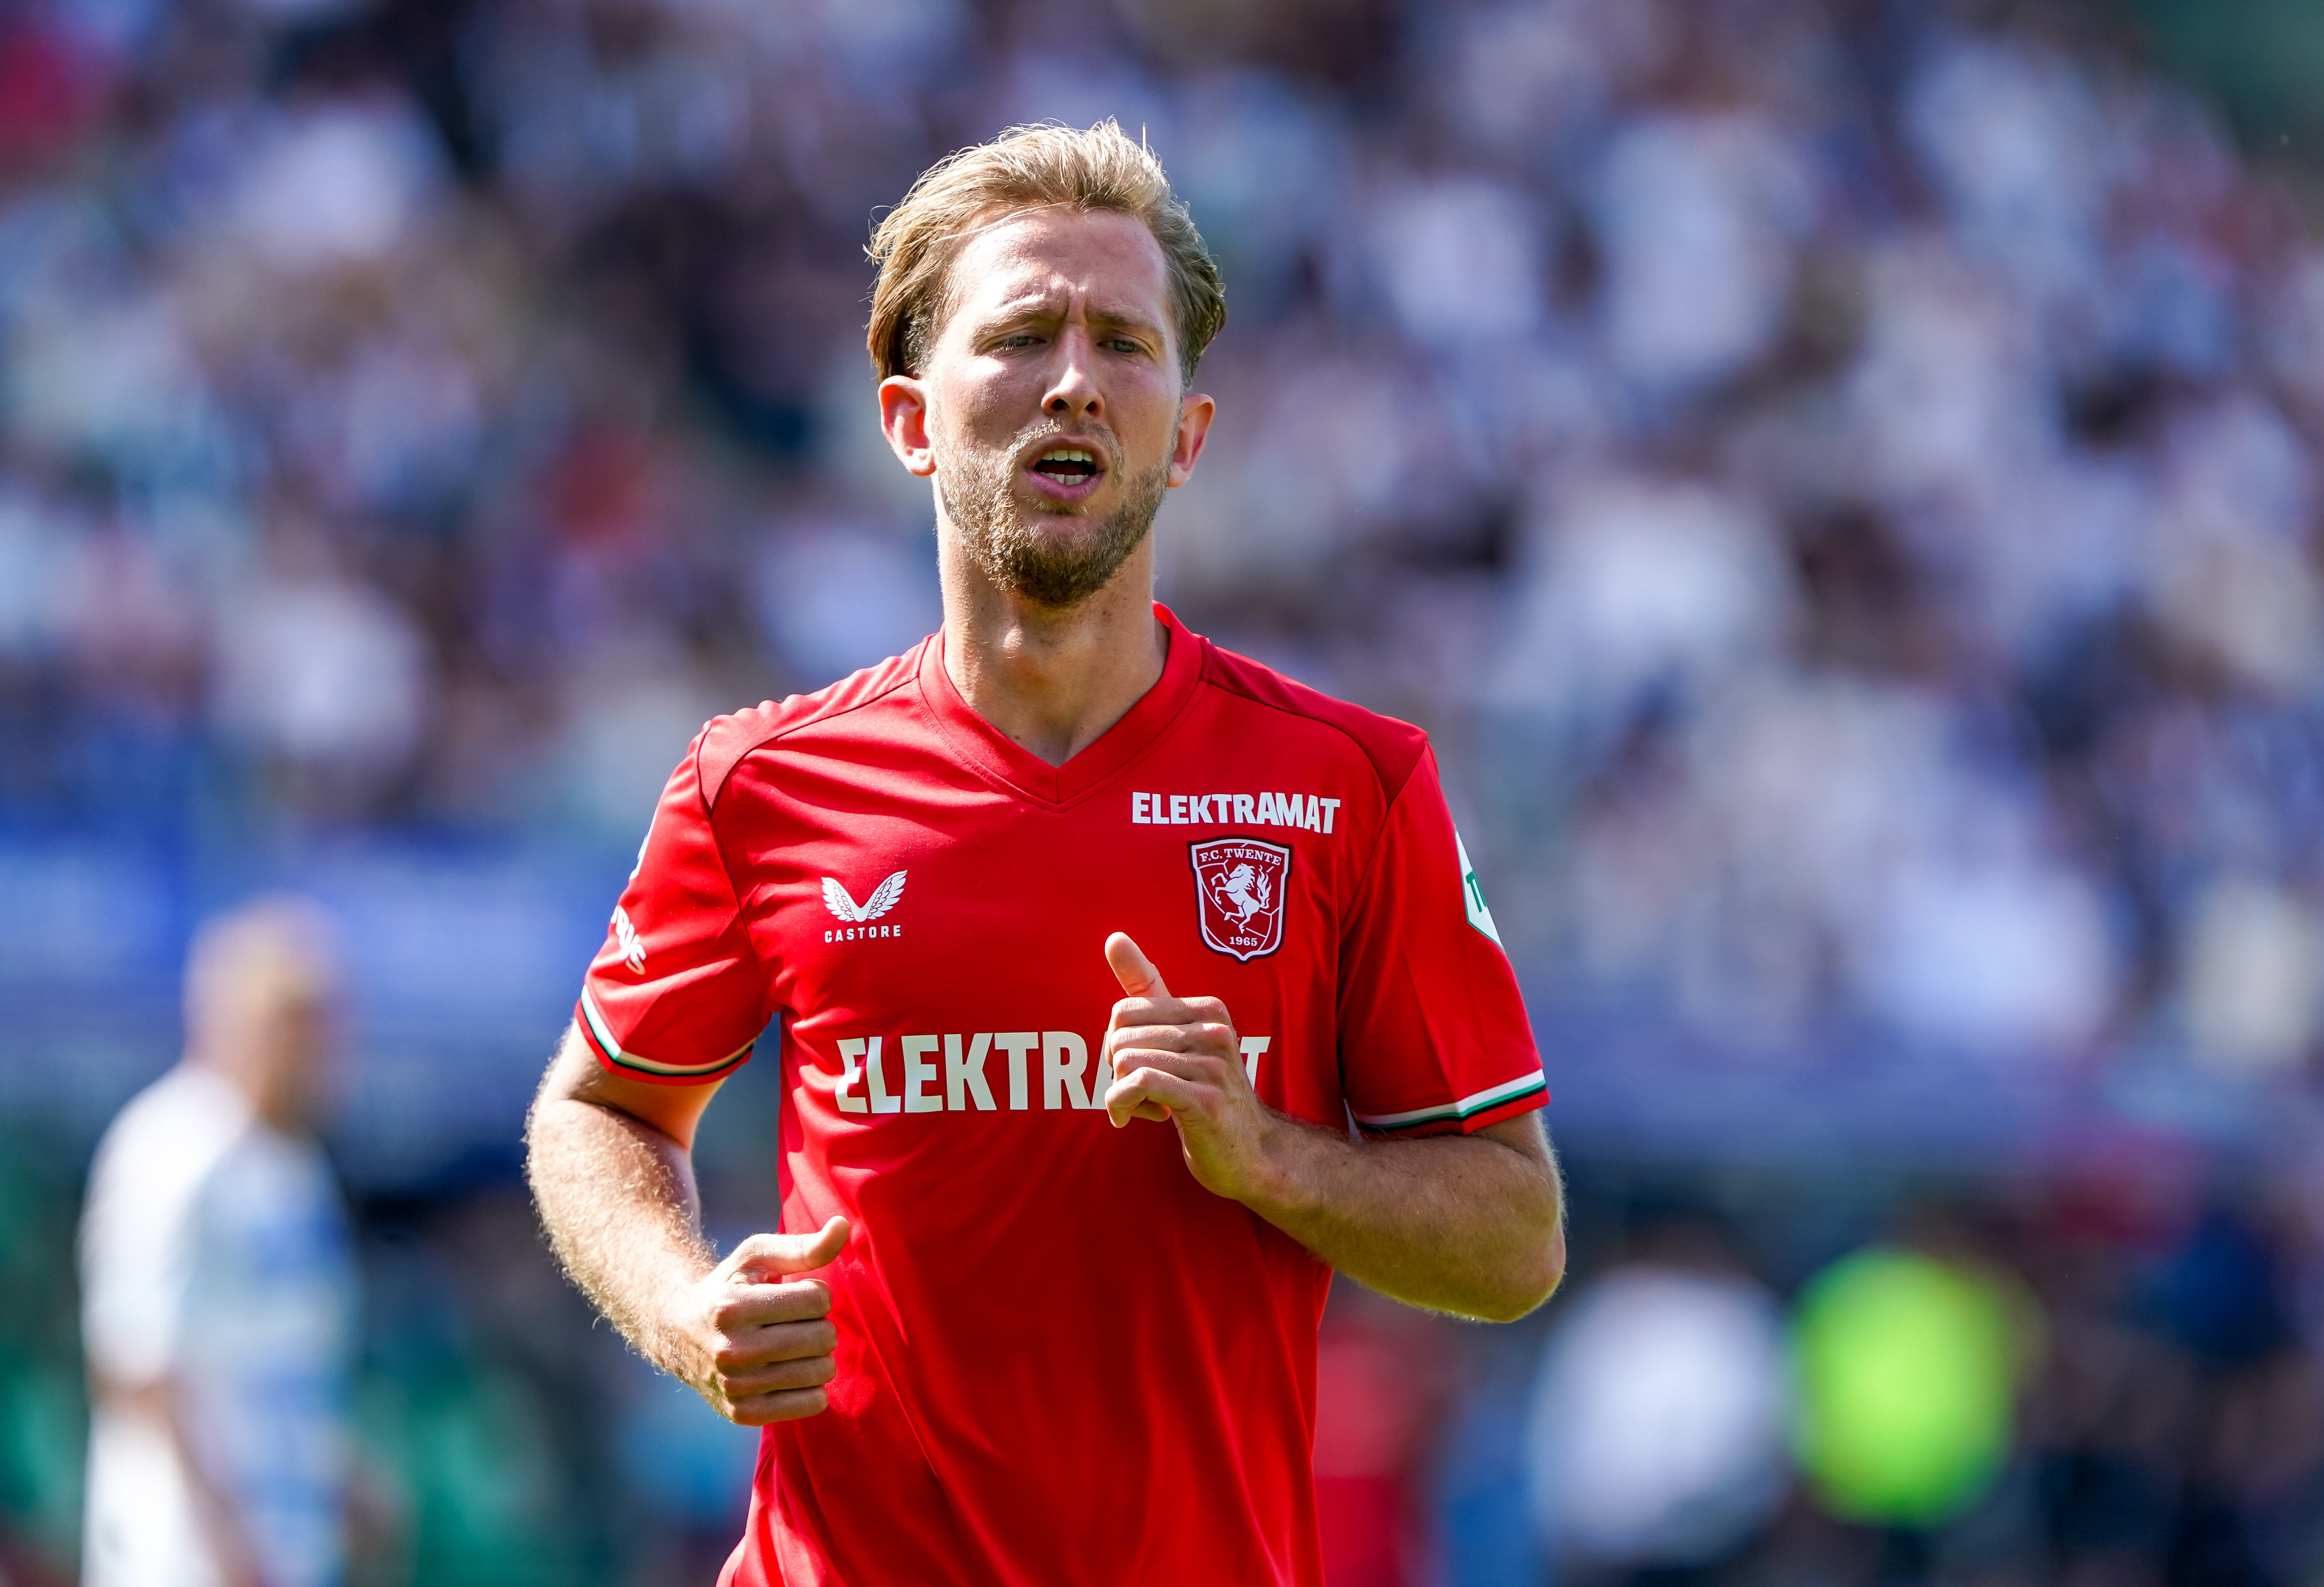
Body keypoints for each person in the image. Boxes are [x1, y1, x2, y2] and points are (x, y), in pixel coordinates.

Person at [524, 119, 1566, 1585]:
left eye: (1124, 344)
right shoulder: (758, 780)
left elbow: (1513, 1241)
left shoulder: (1349, 784)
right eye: (1020, 334)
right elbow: (599, 1115)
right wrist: (681, 1306)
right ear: (909, 420)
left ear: (1187, 437)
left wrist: (1264, 1154)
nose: (1075, 376)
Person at [79, 896, 358, 1587]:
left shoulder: (298, 1170)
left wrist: (343, 1476)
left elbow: (289, 1362)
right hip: (186, 1554)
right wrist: (225, 1537)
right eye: (299, 1029)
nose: (319, 1056)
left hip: (285, 1546)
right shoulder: (173, 1148)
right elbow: (136, 1364)